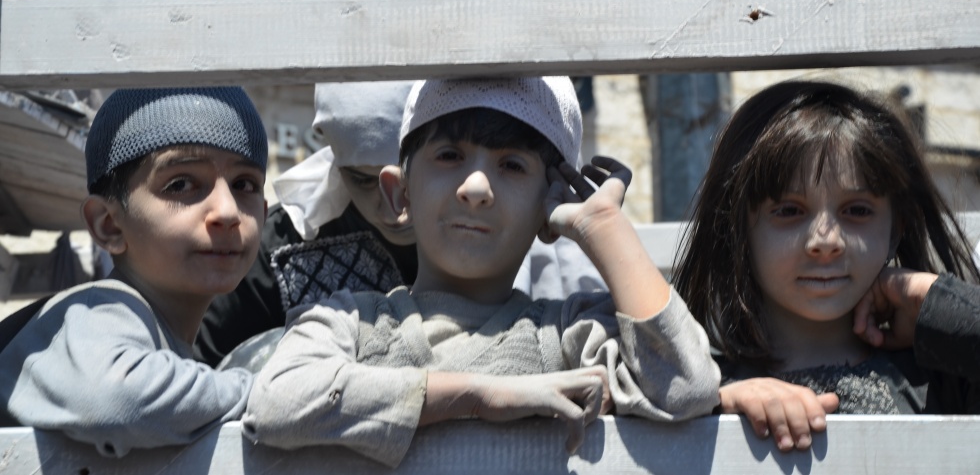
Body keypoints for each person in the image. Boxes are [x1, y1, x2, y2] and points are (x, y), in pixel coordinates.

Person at [242, 76, 720, 467]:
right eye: (449, 156)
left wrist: (604, 226)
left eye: (511, 165)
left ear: (551, 204)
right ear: (398, 193)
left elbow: (686, 386)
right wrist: (478, 395)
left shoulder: (567, 334)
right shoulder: (348, 321)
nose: (475, 187)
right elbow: (277, 402)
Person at [195, 80, 606, 369]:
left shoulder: (536, 275)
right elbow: (239, 381)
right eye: (362, 181)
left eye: (510, 166)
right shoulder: (290, 262)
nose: (393, 212)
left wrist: (604, 228)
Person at [671, 79, 980, 453]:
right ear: (738, 232)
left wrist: (934, 300)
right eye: (789, 211)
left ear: (895, 230)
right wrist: (714, 406)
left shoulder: (943, 380)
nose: (825, 240)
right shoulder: (689, 386)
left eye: (857, 211)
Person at [0, 87, 269, 457]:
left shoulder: (159, 340)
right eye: (181, 184)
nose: (227, 211)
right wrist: (272, 393)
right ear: (109, 224)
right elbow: (115, 398)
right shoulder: (98, 311)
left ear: (264, 214)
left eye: (244, 185)